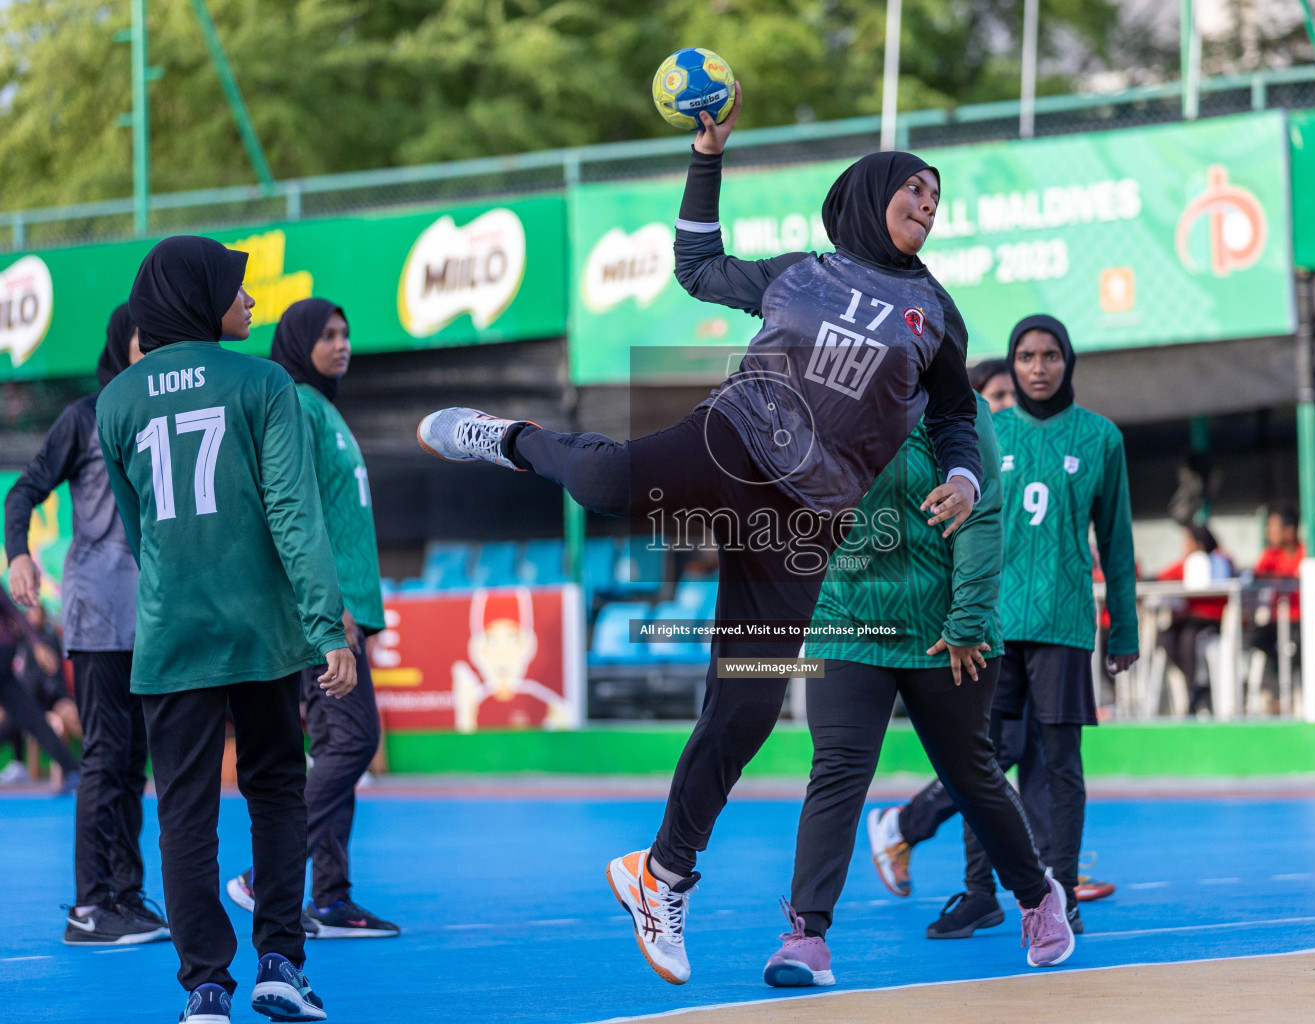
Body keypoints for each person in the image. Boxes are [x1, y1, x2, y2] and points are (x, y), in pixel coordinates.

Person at [416, 83, 983, 986]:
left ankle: (663, 873)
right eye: (915, 187)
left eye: (938, 198)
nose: (928, 204)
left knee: (748, 710)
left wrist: (963, 474)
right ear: (869, 193)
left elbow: (957, 415)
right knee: (603, 482)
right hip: (737, 436)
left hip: (808, 514)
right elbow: (697, 264)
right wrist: (706, 157)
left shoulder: (937, 316)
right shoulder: (803, 272)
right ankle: (506, 439)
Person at [97, 236, 356, 1024]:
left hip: (170, 634)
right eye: (236, 289)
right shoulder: (264, 382)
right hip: (261, 632)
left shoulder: (117, 400)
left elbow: (140, 528)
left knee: (182, 812)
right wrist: (327, 626)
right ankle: (280, 962)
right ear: (198, 298)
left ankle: (205, 989)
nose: (249, 301)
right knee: (276, 790)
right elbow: (292, 512)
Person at [765, 393, 1074, 988]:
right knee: (836, 769)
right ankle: (808, 937)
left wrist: (966, 621)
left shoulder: (960, 409)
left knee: (969, 773)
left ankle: (1037, 898)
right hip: (850, 620)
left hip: (946, 627)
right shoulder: (821, 405)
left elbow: (982, 517)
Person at [866, 315, 1137, 938]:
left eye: (1049, 355)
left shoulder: (1101, 438)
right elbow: (951, 527)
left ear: (1067, 361)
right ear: (1011, 365)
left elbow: (1117, 544)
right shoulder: (983, 429)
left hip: (1066, 624)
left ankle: (1060, 890)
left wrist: (1124, 630)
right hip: (991, 624)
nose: (1038, 367)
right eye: (1025, 356)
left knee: (1061, 764)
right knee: (979, 759)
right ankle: (978, 893)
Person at [224, 298, 399, 939]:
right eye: (326, 335)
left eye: (346, 333)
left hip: (343, 608)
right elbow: (293, 510)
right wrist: (336, 607)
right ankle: (264, 875)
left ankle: (329, 895)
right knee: (353, 740)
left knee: (336, 744)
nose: (341, 344)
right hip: (325, 615)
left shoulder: (325, 409)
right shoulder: (295, 403)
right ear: (299, 343)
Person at [4, 303, 168, 943]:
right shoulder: (85, 417)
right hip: (98, 611)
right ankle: (89, 904)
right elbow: (24, 491)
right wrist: (18, 552)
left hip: (152, 616)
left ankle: (126, 894)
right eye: (142, 337)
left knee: (134, 762)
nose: (151, 347)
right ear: (119, 343)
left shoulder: (167, 416)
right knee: (104, 755)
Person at [0, 599, 80, 791]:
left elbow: (12, 611)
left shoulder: (49, 639)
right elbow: (13, 611)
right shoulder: (26, 641)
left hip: (3, 653)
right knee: (32, 717)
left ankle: (72, 770)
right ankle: (72, 769)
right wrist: (35, 643)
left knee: (28, 716)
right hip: (5, 652)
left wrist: (36, 644)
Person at [1155, 523, 1233, 716]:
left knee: (1189, 638)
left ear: (1199, 543)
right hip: (1189, 619)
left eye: (1188, 541)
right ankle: (1196, 685)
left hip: (1211, 620)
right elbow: (1164, 576)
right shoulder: (1189, 562)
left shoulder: (1220, 559)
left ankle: (1194, 688)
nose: (1185, 546)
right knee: (1165, 636)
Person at [1250, 505, 1305, 712]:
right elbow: (1256, 577)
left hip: (1301, 621)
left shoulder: (1306, 553)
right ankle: (1278, 693)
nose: (1268, 532)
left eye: (1272, 527)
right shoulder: (1270, 555)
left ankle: (1289, 696)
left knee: (1294, 646)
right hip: (1276, 622)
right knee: (1259, 639)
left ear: (1289, 531)